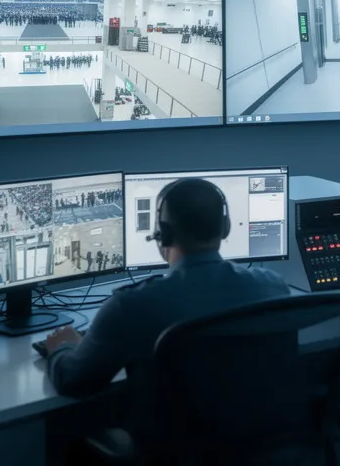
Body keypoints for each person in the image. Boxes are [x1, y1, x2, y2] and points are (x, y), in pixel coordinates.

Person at [42, 178, 288, 451]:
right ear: (225, 227)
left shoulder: (132, 305)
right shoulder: (272, 287)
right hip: (262, 450)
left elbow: (75, 382)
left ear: (164, 234)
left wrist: (62, 346)